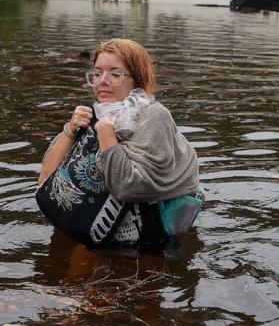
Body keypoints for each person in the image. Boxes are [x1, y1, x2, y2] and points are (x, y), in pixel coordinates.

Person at [37, 38, 200, 246]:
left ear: (136, 79)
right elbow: (45, 180)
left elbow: (129, 188)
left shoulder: (154, 116)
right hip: (92, 229)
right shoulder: (93, 113)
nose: (102, 81)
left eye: (115, 74)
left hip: (146, 244)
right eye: (97, 73)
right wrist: (69, 129)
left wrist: (106, 133)